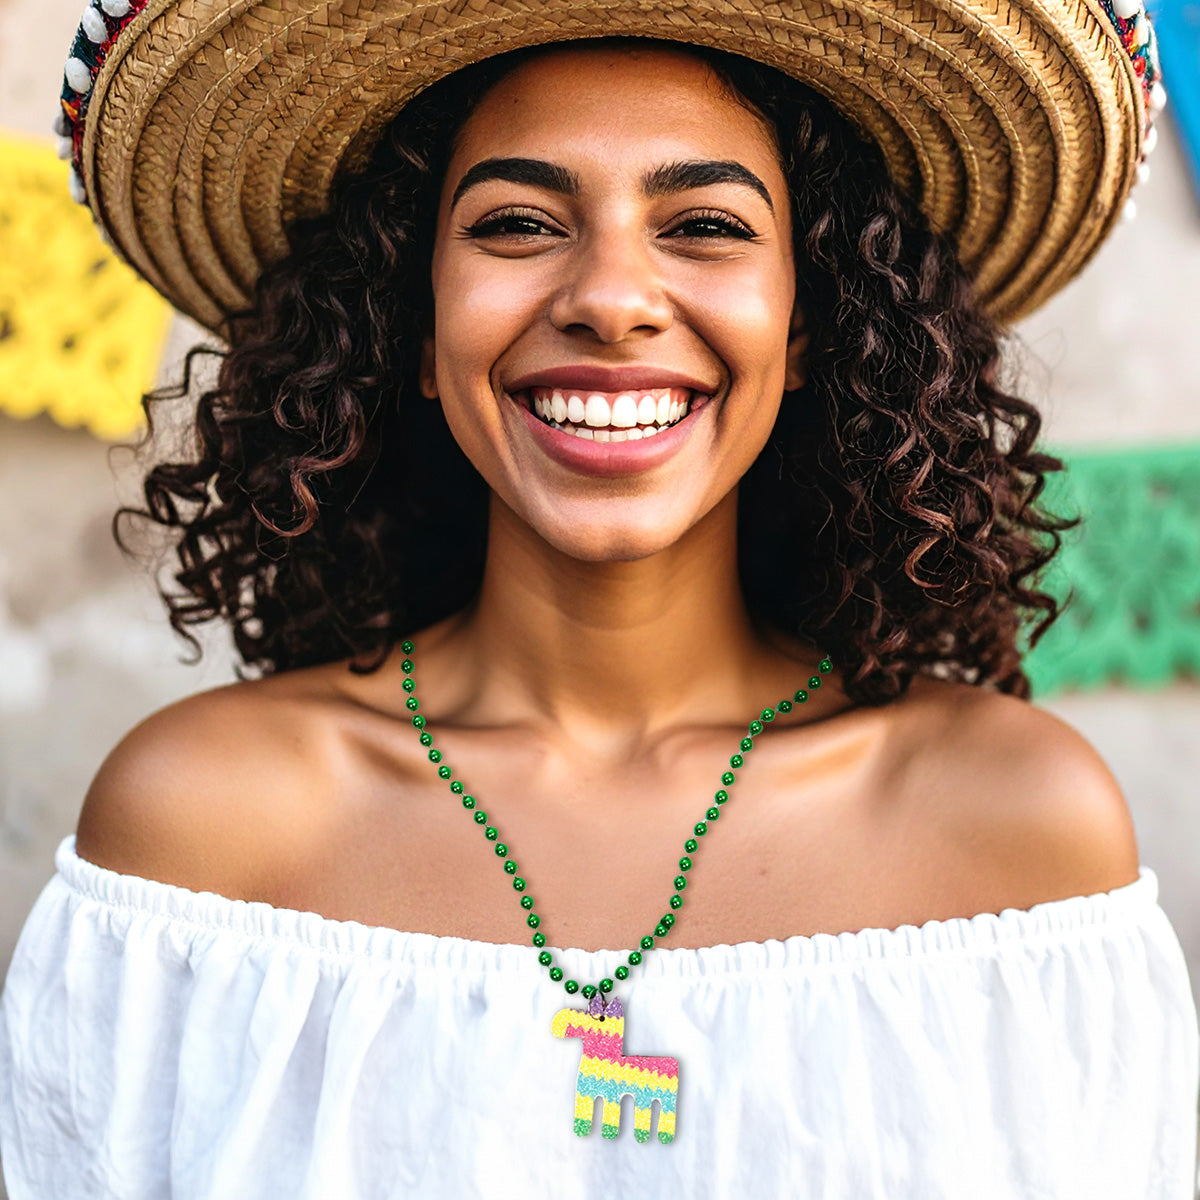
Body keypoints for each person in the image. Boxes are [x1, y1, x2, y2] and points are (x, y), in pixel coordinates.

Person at [1, 1, 1196, 1196]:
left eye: (706, 225)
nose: (610, 297)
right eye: (518, 223)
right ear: (412, 325)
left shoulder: (1019, 836)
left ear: (811, 327)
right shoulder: (200, 835)